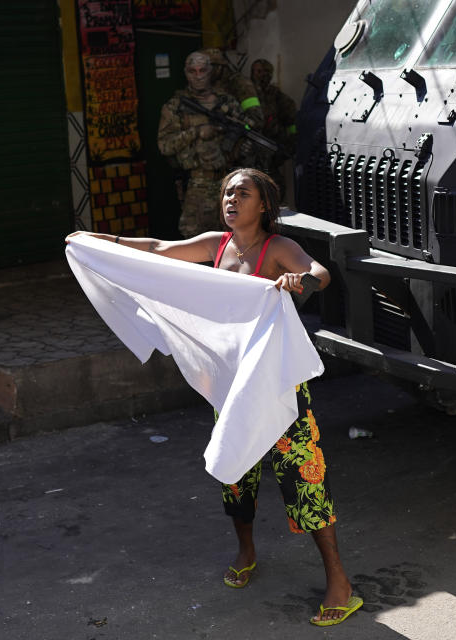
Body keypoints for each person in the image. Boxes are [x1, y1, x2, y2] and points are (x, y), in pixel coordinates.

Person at [66, 168, 362, 626]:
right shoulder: (215, 245)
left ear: (263, 205)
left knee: (303, 479)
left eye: (242, 193)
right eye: (227, 192)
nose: (230, 199)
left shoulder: (276, 248)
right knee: (235, 471)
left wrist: (298, 280)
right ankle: (246, 552)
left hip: (279, 383)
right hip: (234, 384)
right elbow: (160, 251)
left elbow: (319, 270)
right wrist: (100, 240)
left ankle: (340, 582)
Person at [157, 51, 247, 237]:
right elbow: (164, 145)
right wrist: (196, 132)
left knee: (235, 237)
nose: (198, 76)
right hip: (198, 183)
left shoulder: (227, 103)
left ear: (210, 71)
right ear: (185, 72)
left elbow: (244, 133)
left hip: (230, 181)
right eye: (192, 71)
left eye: (202, 70)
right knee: (197, 240)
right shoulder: (175, 106)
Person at [251, 58, 298, 200]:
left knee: (275, 188)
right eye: (258, 71)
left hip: (270, 150)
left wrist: (291, 142)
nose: (262, 75)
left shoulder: (275, 94)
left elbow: (290, 115)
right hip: (249, 150)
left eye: (266, 71)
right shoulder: (246, 91)